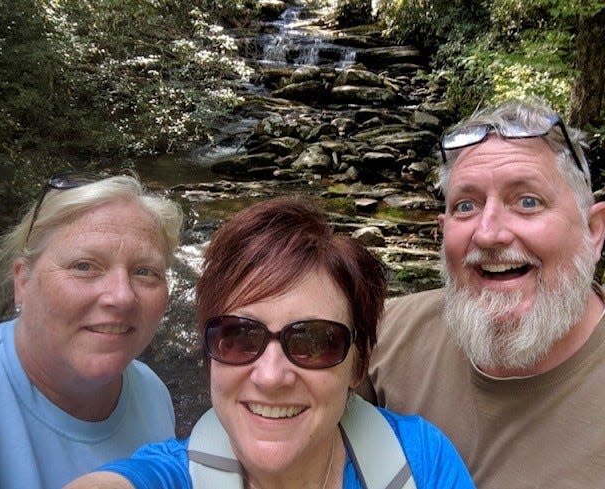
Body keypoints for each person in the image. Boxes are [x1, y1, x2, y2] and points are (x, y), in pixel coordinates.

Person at [64, 197, 475, 489]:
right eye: (239, 337)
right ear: (209, 355)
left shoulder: (420, 462)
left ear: (358, 363)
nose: (272, 375)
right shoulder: (171, 475)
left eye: (315, 342)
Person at [358, 98, 605, 488]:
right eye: (466, 206)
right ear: (443, 231)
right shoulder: (379, 336)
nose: (488, 233)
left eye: (527, 202)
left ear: (594, 231)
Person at [0, 171, 184, 488]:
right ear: (23, 282)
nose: (122, 296)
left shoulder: (151, 393)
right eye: (85, 266)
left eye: (145, 271)